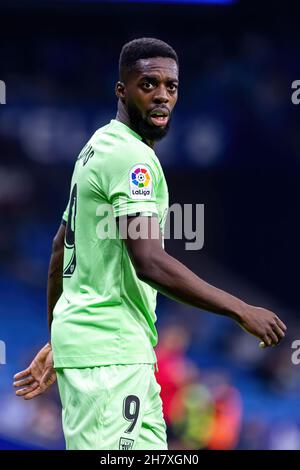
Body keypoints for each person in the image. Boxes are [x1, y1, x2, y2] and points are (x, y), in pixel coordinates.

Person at [13, 37, 287, 450]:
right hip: (111, 355)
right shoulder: (131, 159)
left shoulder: (96, 148)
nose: (162, 95)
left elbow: (59, 249)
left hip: (119, 352)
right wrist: (240, 309)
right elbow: (149, 262)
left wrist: (62, 339)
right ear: (122, 91)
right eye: (148, 84)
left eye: (171, 87)